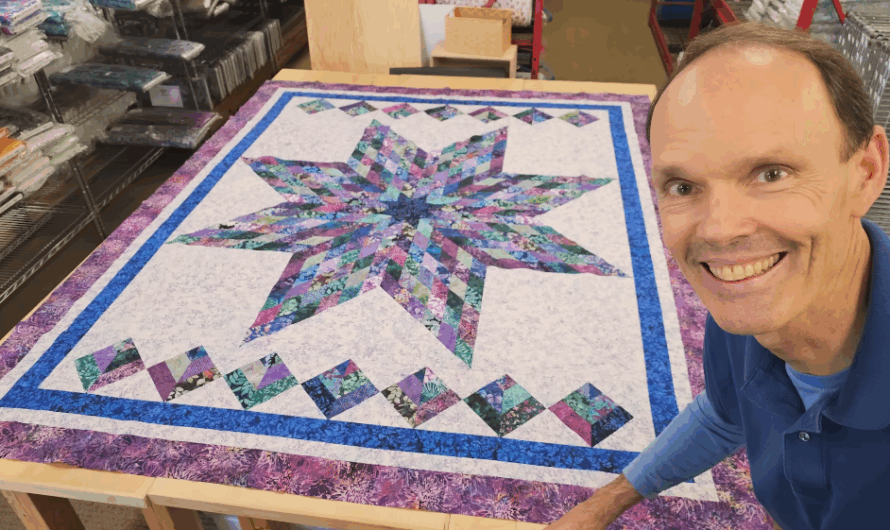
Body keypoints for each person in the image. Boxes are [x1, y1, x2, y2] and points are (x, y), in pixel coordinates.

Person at [545, 21, 890, 530]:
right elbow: (724, 412)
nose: (720, 230)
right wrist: (600, 508)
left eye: (771, 173)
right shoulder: (747, 301)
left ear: (866, 172)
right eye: (683, 187)